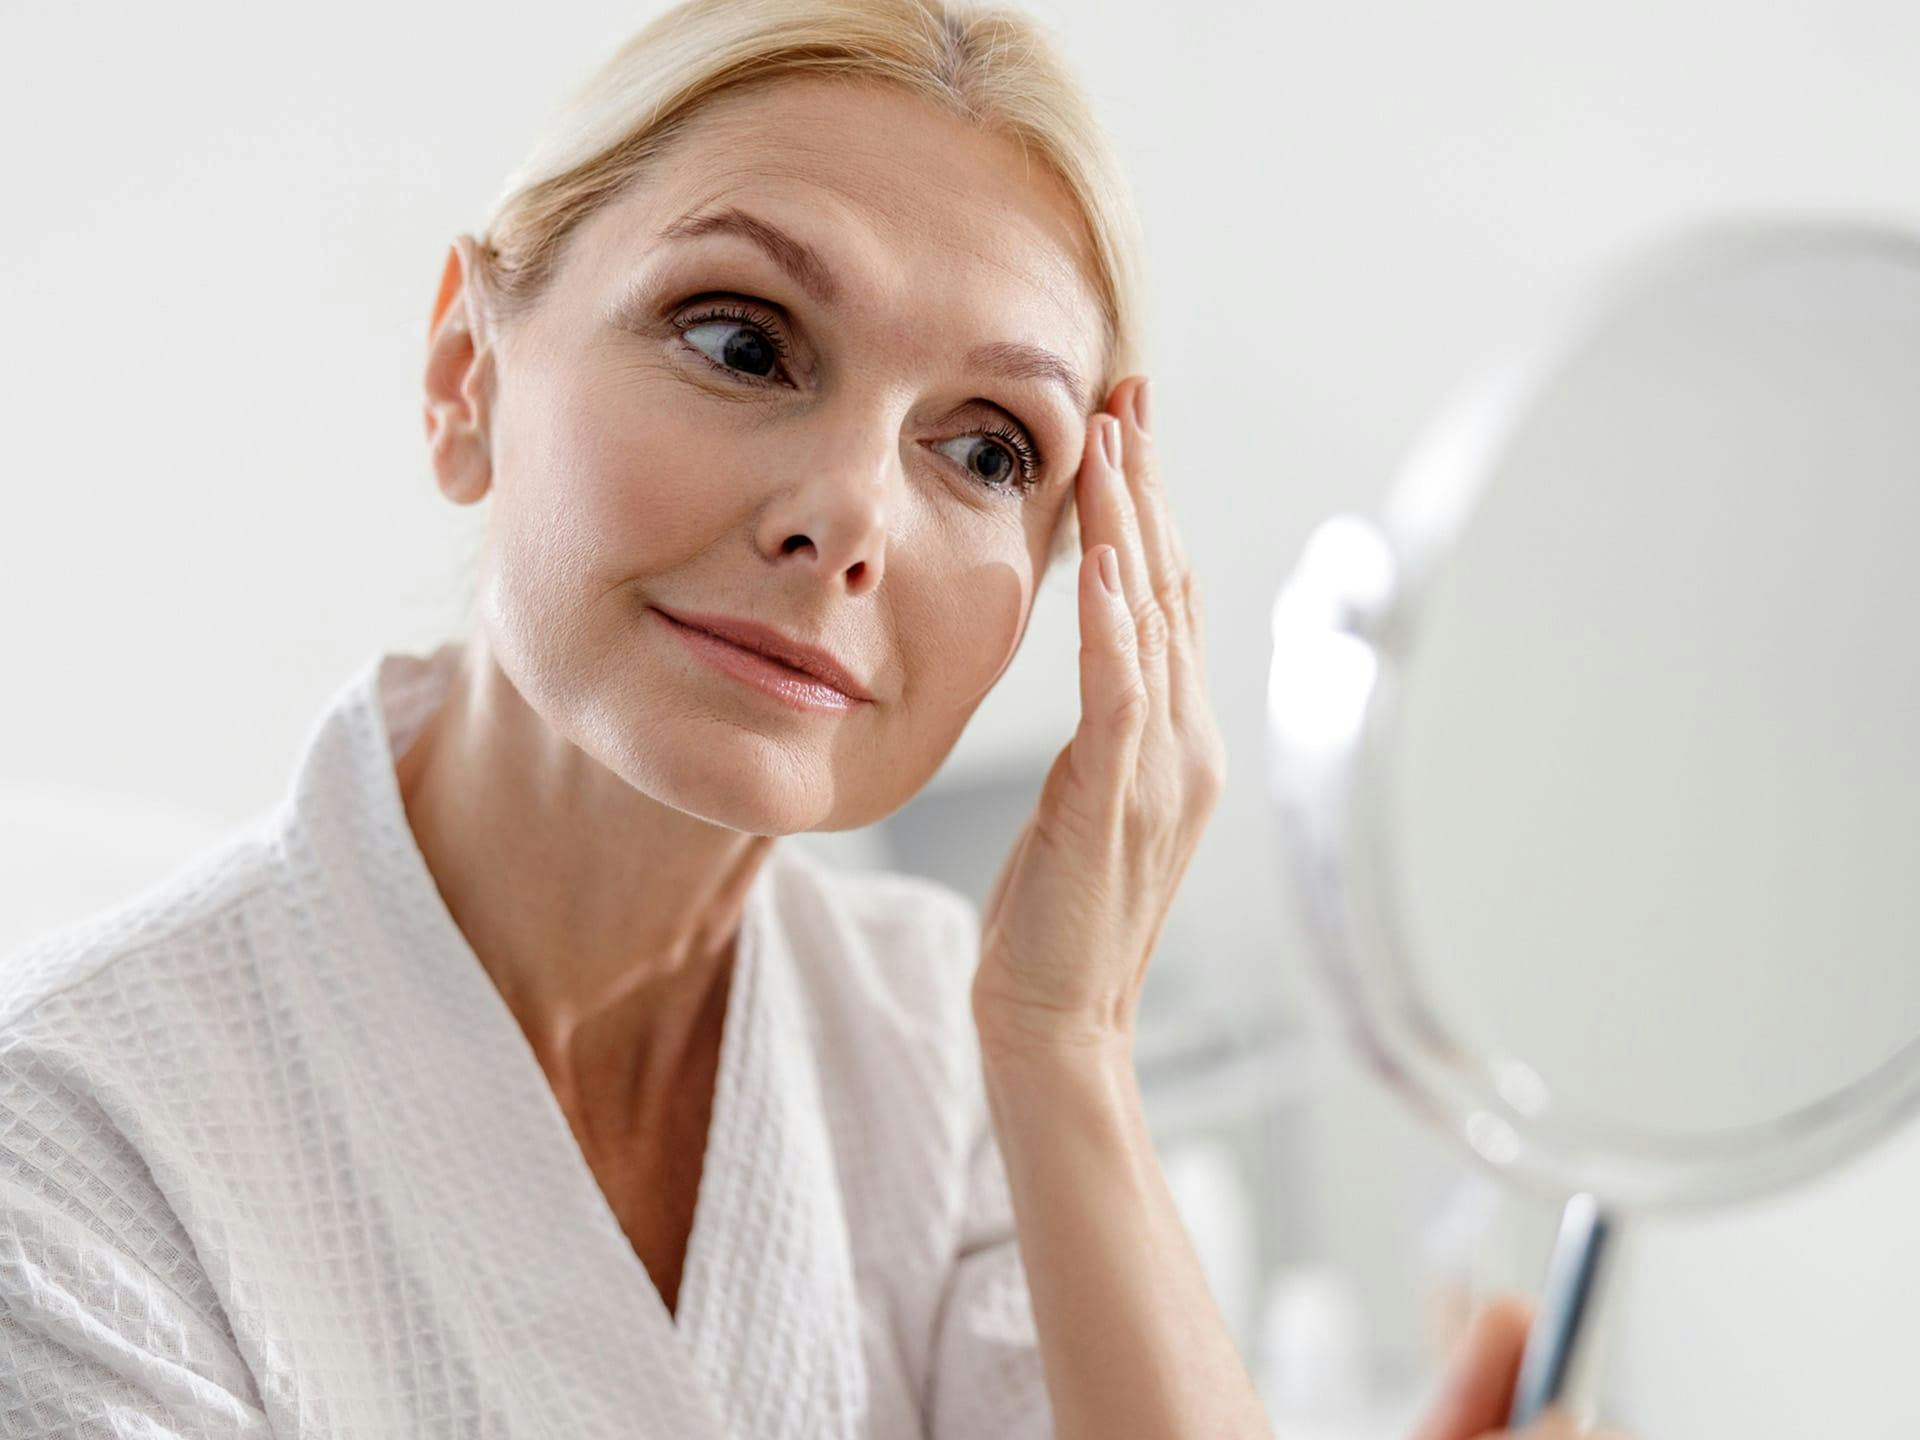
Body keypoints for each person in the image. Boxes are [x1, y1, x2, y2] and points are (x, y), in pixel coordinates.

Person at [0, 1, 1611, 1435]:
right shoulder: (73, 1146)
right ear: (463, 372)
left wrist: (1068, 1046)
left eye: (987, 451)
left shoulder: (941, 1054)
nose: (848, 519)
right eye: (742, 340)